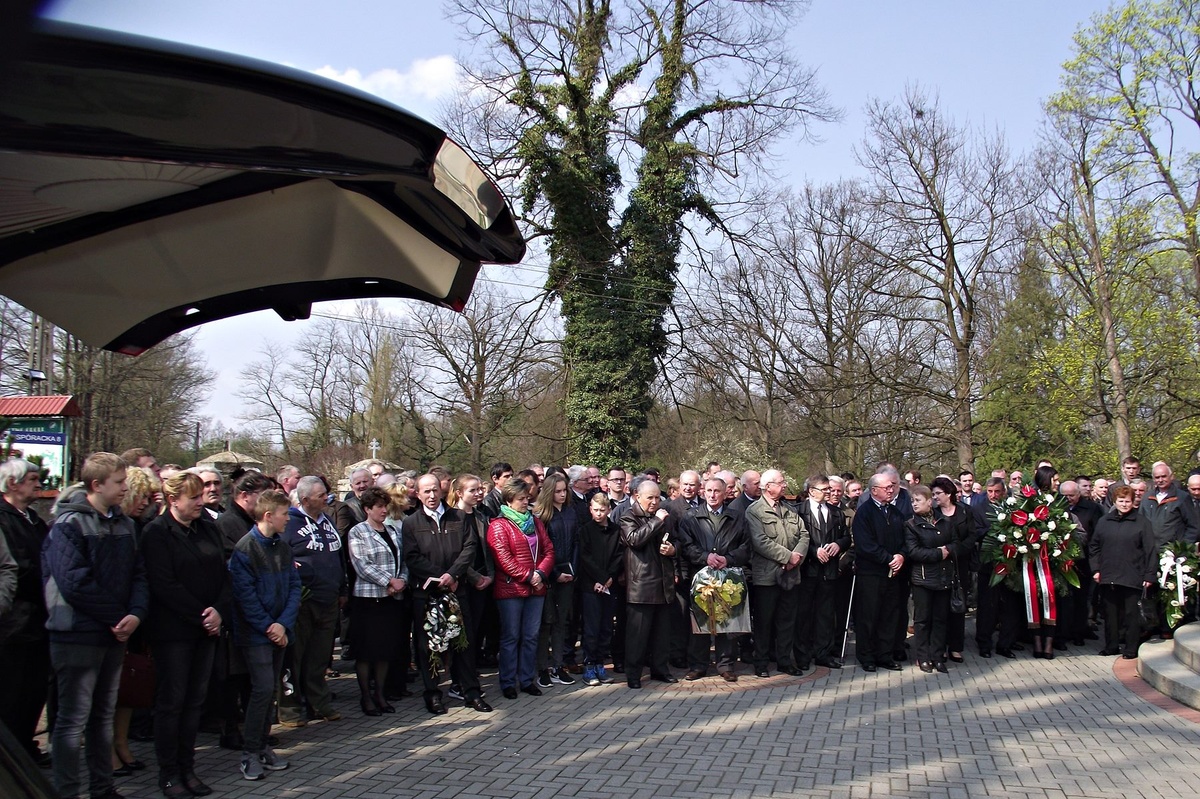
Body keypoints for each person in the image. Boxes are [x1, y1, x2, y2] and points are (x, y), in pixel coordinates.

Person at [42, 452, 149, 799]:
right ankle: (68, 791)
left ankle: (103, 788)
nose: (125, 489)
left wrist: (136, 613)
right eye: (119, 483)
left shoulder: (125, 525)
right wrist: (118, 617)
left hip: (114, 634)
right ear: (96, 485)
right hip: (76, 635)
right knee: (72, 721)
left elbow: (139, 574)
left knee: (103, 716)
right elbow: (73, 581)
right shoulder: (68, 524)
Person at [140, 472, 229, 798]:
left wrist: (219, 610)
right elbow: (164, 584)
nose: (200, 502)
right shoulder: (157, 533)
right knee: (172, 702)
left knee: (194, 701)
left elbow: (224, 573)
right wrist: (200, 615)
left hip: (208, 628)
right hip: (174, 631)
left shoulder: (208, 528)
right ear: (173, 500)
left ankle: (188, 767)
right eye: (193, 497)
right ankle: (169, 772)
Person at [403, 474, 490, 714]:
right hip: (426, 594)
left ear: (441, 491)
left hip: (457, 591)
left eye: (435, 490)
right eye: (426, 491)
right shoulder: (411, 523)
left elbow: (469, 548)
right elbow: (412, 557)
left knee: (464, 643)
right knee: (428, 646)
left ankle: (471, 692)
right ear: (418, 494)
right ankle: (433, 694)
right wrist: (439, 577)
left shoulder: (458, 517)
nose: (431, 496)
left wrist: (453, 574)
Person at [228, 489, 299, 781]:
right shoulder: (245, 549)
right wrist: (270, 627)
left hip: (279, 631)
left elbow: (294, 587)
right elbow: (245, 598)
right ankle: (250, 753)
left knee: (269, 691)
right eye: (284, 514)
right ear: (268, 516)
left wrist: (283, 624)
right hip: (257, 635)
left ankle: (262, 747)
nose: (288, 519)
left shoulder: (282, 546)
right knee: (261, 690)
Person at [278, 476, 345, 726]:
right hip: (303, 602)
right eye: (320, 495)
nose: (327, 498)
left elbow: (338, 557)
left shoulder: (327, 521)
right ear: (305, 500)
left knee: (319, 656)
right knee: (294, 658)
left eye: (326, 493)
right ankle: (290, 708)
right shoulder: (290, 524)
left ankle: (318, 703)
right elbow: (282, 560)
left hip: (328, 600)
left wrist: (342, 588)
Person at [0, 458, 51, 766]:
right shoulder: (4, 520)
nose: (38, 484)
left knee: (34, 690)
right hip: (14, 623)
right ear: (12, 484)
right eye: (32, 479)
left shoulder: (33, 519)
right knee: (12, 691)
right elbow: (16, 568)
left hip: (40, 619)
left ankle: (25, 744)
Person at [678, 476, 751, 682]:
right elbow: (686, 545)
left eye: (717, 491)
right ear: (703, 491)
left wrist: (728, 559)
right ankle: (698, 665)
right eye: (708, 490)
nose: (712, 495)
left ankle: (726, 665)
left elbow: (746, 547)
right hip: (701, 576)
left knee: (727, 621)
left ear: (725, 493)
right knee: (701, 621)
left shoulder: (737, 518)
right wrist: (705, 557)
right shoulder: (691, 517)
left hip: (728, 576)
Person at [487, 478, 555, 699]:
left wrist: (540, 574)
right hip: (511, 589)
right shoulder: (499, 525)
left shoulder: (535, 522)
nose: (526, 502)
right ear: (509, 500)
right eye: (521, 499)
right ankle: (508, 682)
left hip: (536, 588)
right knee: (511, 637)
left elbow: (548, 550)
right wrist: (528, 576)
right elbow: (502, 558)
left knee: (531, 636)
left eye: (527, 498)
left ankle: (527, 680)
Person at [347, 487, 408, 715]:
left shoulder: (392, 531)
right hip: (369, 600)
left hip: (392, 599)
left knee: (385, 649)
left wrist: (401, 580)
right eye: (379, 507)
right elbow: (362, 565)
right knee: (366, 651)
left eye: (385, 506)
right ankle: (366, 696)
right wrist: (388, 581)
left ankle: (381, 694)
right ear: (367, 509)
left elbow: (403, 560)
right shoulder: (358, 532)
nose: (384, 511)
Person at [745, 469, 808, 677]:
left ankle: (784, 661)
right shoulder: (755, 511)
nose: (785, 485)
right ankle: (761, 662)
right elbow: (760, 541)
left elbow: (804, 535)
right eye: (781, 482)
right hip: (767, 577)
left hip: (790, 575)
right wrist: (787, 557)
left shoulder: (790, 510)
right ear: (768, 486)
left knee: (787, 621)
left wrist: (796, 557)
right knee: (764, 622)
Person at [619, 479, 679, 689]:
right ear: (637, 497)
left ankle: (660, 669)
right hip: (641, 585)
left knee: (662, 634)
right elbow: (634, 539)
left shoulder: (664, 517)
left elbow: (677, 540)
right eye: (650, 498)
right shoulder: (628, 517)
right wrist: (657, 522)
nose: (654, 502)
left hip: (663, 583)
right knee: (637, 635)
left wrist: (673, 550)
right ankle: (633, 674)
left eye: (657, 498)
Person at [1090, 485, 1156, 659]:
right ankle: (1111, 646)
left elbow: (1150, 550)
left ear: (1133, 502)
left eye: (1127, 501)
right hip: (1108, 574)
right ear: (1115, 501)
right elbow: (1094, 546)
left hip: (1132, 575)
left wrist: (1149, 575)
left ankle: (1131, 648)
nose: (1124, 504)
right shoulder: (1104, 521)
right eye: (1121, 501)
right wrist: (1096, 569)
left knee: (1131, 615)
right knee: (1110, 614)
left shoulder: (1142, 522)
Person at [851, 471, 907, 672]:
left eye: (892, 487)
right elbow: (865, 544)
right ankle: (866, 656)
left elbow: (906, 538)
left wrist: (901, 555)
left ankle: (885, 655)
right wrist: (888, 559)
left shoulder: (895, 513)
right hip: (871, 573)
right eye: (887, 487)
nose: (891, 490)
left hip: (893, 574)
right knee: (869, 615)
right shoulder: (864, 513)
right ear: (874, 490)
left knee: (889, 615)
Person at [794, 474, 849, 671]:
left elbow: (846, 537)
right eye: (824, 489)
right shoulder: (798, 511)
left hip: (829, 571)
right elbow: (794, 538)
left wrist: (838, 544)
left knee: (825, 615)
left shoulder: (836, 512)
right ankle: (802, 655)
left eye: (829, 489)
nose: (829, 493)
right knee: (804, 614)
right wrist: (813, 551)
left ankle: (823, 654)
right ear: (811, 491)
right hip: (807, 570)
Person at [906, 486, 961, 674]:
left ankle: (938, 656)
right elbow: (914, 552)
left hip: (943, 577)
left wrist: (948, 550)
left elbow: (955, 543)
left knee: (940, 618)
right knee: (922, 620)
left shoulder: (945, 522)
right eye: (912, 501)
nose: (914, 504)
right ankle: (923, 657)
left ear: (929, 502)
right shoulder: (911, 525)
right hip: (923, 578)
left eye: (918, 500)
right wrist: (939, 553)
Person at [533, 473, 577, 688]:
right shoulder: (542, 515)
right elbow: (542, 549)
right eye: (558, 491)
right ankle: (542, 668)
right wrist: (554, 573)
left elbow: (577, 543)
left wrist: (573, 569)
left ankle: (558, 666)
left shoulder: (571, 512)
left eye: (564, 490)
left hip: (569, 573)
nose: (562, 495)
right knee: (546, 623)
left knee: (562, 622)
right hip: (549, 575)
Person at [930, 476, 976, 664]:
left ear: (948, 493)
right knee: (940, 608)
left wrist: (956, 550)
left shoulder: (965, 511)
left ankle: (956, 647)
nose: (934, 497)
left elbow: (972, 536)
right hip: (939, 564)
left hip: (960, 563)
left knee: (958, 605)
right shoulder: (933, 513)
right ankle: (939, 647)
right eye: (933, 494)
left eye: (938, 493)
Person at [576, 493, 622, 686]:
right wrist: (600, 579)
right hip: (591, 585)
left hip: (610, 585)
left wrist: (609, 577)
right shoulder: (585, 530)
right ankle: (589, 664)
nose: (598, 514)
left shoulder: (616, 530)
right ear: (590, 510)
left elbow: (619, 555)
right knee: (591, 628)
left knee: (606, 627)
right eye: (595, 510)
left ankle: (600, 663)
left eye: (602, 510)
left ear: (609, 510)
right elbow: (585, 558)